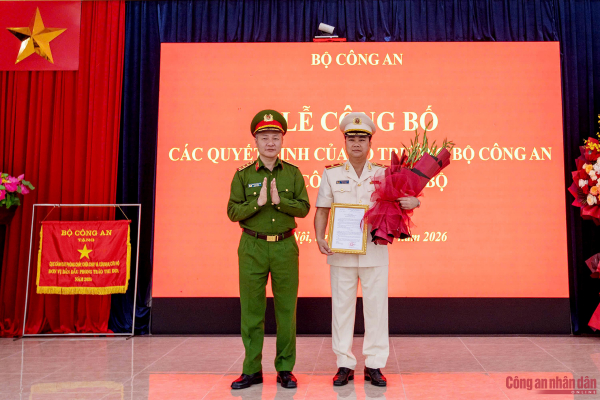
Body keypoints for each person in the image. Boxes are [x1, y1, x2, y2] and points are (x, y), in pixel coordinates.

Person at [314, 112, 420, 387]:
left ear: (370, 143)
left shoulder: (384, 173)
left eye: (362, 139)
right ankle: (344, 364)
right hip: (341, 253)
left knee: (376, 310)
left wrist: (414, 202)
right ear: (344, 142)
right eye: (351, 139)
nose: (356, 143)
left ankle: (374, 364)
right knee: (342, 310)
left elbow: (405, 199)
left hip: (375, 251)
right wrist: (319, 237)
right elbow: (323, 209)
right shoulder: (332, 173)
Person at [227, 109, 311, 390]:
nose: (270, 142)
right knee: (252, 311)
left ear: (282, 140)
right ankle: (251, 370)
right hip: (252, 246)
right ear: (256, 141)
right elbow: (232, 211)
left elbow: (304, 208)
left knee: (286, 311)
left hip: (285, 246)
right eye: (264, 137)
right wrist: (258, 203)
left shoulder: (293, 173)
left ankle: (285, 369)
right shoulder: (243, 175)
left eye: (275, 137)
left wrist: (279, 202)